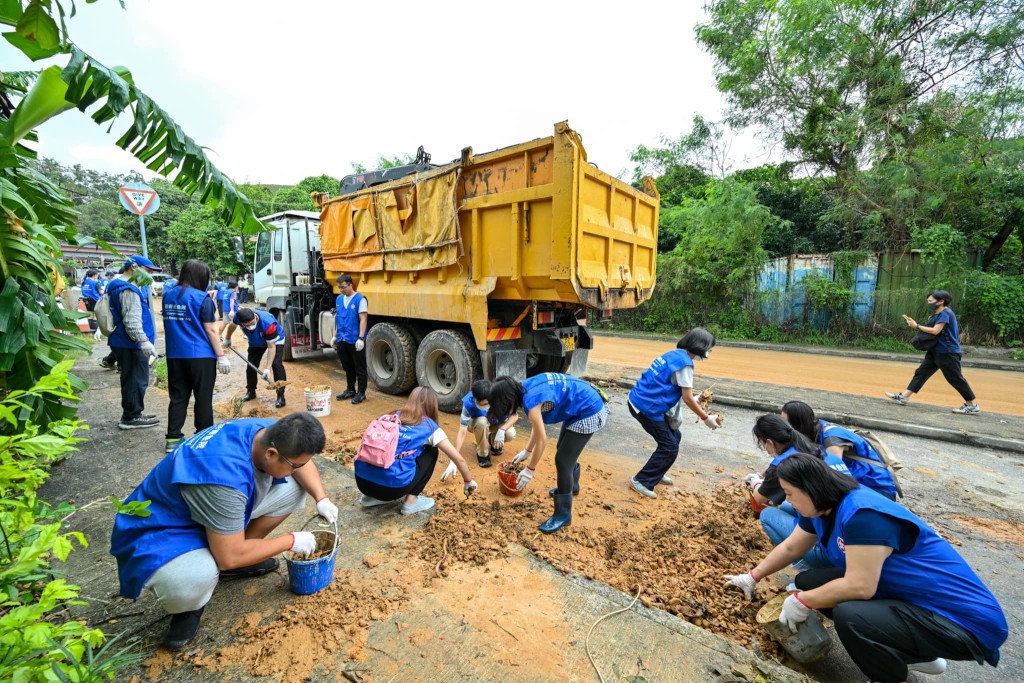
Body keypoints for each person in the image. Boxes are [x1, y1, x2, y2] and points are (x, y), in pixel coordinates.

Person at [726, 453, 1007, 683]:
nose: (787, 501)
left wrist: (802, 602)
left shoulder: (863, 515)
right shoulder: (821, 506)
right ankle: (916, 653)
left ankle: (888, 675)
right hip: (908, 595)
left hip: (962, 620)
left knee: (851, 614)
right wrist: (752, 576)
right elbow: (791, 547)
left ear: (811, 489)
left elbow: (860, 586)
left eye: (789, 493)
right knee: (810, 582)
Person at [110, 413, 337, 650]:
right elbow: (228, 557)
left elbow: (301, 463)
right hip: (161, 530)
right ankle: (190, 607)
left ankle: (240, 549)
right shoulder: (223, 479)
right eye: (294, 466)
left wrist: (321, 498)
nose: (297, 469)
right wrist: (290, 541)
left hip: (206, 510)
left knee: (295, 488)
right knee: (197, 576)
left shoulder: (270, 431)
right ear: (271, 454)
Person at [489, 373, 609, 534]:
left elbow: (542, 440)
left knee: (563, 460)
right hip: (579, 404)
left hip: (589, 410)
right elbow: (537, 426)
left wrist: (529, 470)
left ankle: (563, 515)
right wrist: (527, 451)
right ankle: (572, 486)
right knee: (564, 450)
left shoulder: (531, 402)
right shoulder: (525, 386)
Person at [746, 414, 856, 570]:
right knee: (785, 506)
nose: (764, 447)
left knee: (767, 514)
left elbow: (759, 498)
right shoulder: (814, 448)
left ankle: (805, 566)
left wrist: (756, 481)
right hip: (846, 531)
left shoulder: (784, 463)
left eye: (762, 443)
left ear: (769, 442)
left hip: (836, 549)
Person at [626, 327, 721, 499]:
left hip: (640, 400)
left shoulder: (674, 354)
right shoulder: (685, 365)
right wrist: (706, 418)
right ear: (700, 346)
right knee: (669, 447)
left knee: (674, 437)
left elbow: (670, 386)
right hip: (646, 407)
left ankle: (656, 471)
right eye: (709, 348)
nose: (709, 352)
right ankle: (641, 481)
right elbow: (686, 397)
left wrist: (697, 398)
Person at [355, 387, 478, 514]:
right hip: (391, 489)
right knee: (432, 451)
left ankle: (371, 497)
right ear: (432, 405)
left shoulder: (392, 416)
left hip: (362, 483)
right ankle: (411, 502)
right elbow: (459, 459)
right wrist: (468, 482)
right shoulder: (429, 426)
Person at [162, 259, 232, 453]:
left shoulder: (168, 296)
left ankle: (173, 438)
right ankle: (203, 436)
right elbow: (211, 329)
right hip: (201, 356)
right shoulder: (203, 299)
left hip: (175, 355)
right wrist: (221, 355)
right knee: (203, 397)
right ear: (200, 277)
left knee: (178, 396)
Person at [886, 289, 980, 414]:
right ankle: (905, 396)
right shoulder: (937, 314)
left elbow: (935, 331)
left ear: (941, 301)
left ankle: (971, 405)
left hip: (947, 352)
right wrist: (915, 325)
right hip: (935, 350)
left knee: (955, 378)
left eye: (931, 301)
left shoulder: (946, 313)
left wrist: (917, 326)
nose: (928, 303)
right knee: (921, 373)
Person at [782, 400, 898, 500]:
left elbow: (829, 475)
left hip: (878, 491)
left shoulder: (832, 439)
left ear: (798, 424)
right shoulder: (814, 428)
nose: (784, 427)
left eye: (786, 422)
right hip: (858, 486)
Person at [106, 256, 162, 430]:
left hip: (123, 341)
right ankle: (131, 417)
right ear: (133, 268)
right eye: (147, 271)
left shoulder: (116, 284)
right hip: (130, 343)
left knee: (131, 377)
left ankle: (133, 412)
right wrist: (143, 340)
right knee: (136, 379)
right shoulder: (128, 289)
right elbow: (131, 320)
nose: (149, 275)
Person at [223, 308, 287, 408]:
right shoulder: (238, 317)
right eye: (247, 325)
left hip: (275, 339)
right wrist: (227, 338)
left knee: (276, 364)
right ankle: (251, 391)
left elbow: (271, 347)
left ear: (254, 316)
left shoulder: (268, 323)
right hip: (256, 340)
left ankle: (280, 395)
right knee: (251, 365)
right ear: (242, 323)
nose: (250, 326)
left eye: (252, 323)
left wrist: (267, 368)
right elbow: (232, 325)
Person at [450, 379, 518, 468]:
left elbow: (515, 416)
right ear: (474, 398)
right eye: (480, 404)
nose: (484, 407)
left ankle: (493, 442)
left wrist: (502, 430)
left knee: (510, 433)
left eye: (486, 404)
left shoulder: (500, 397)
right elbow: (462, 432)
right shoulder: (468, 403)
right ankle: (482, 454)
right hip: (477, 425)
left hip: (494, 424)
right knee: (482, 421)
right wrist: (454, 459)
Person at [333, 274, 368, 404]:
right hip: (342, 339)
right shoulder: (339, 299)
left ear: (350, 284)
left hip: (354, 339)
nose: (341, 290)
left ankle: (361, 393)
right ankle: (350, 389)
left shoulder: (360, 299)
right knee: (347, 366)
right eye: (339, 288)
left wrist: (361, 338)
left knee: (360, 367)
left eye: (343, 287)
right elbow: (338, 319)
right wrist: (334, 336)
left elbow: (363, 319)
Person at [99, 267, 127, 372]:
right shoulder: (125, 284)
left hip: (111, 316)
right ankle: (120, 365)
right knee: (124, 341)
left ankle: (110, 361)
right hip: (121, 317)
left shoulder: (111, 283)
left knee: (116, 339)